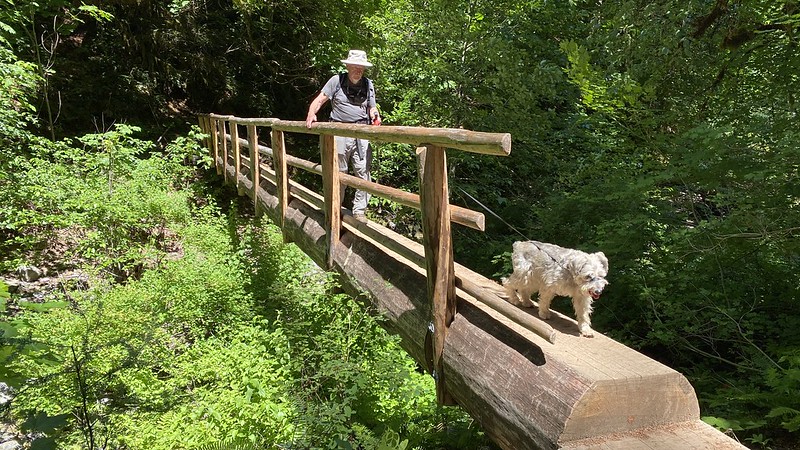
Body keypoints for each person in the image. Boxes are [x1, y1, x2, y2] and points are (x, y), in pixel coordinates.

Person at [306, 49, 380, 223]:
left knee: (364, 172)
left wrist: (374, 114)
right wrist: (311, 114)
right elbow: (319, 100)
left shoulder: (368, 84)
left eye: (361, 67)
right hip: (338, 132)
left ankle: (359, 211)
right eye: (354, 66)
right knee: (339, 172)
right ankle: (334, 209)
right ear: (347, 66)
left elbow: (372, 107)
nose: (357, 69)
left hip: (361, 133)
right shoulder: (336, 81)